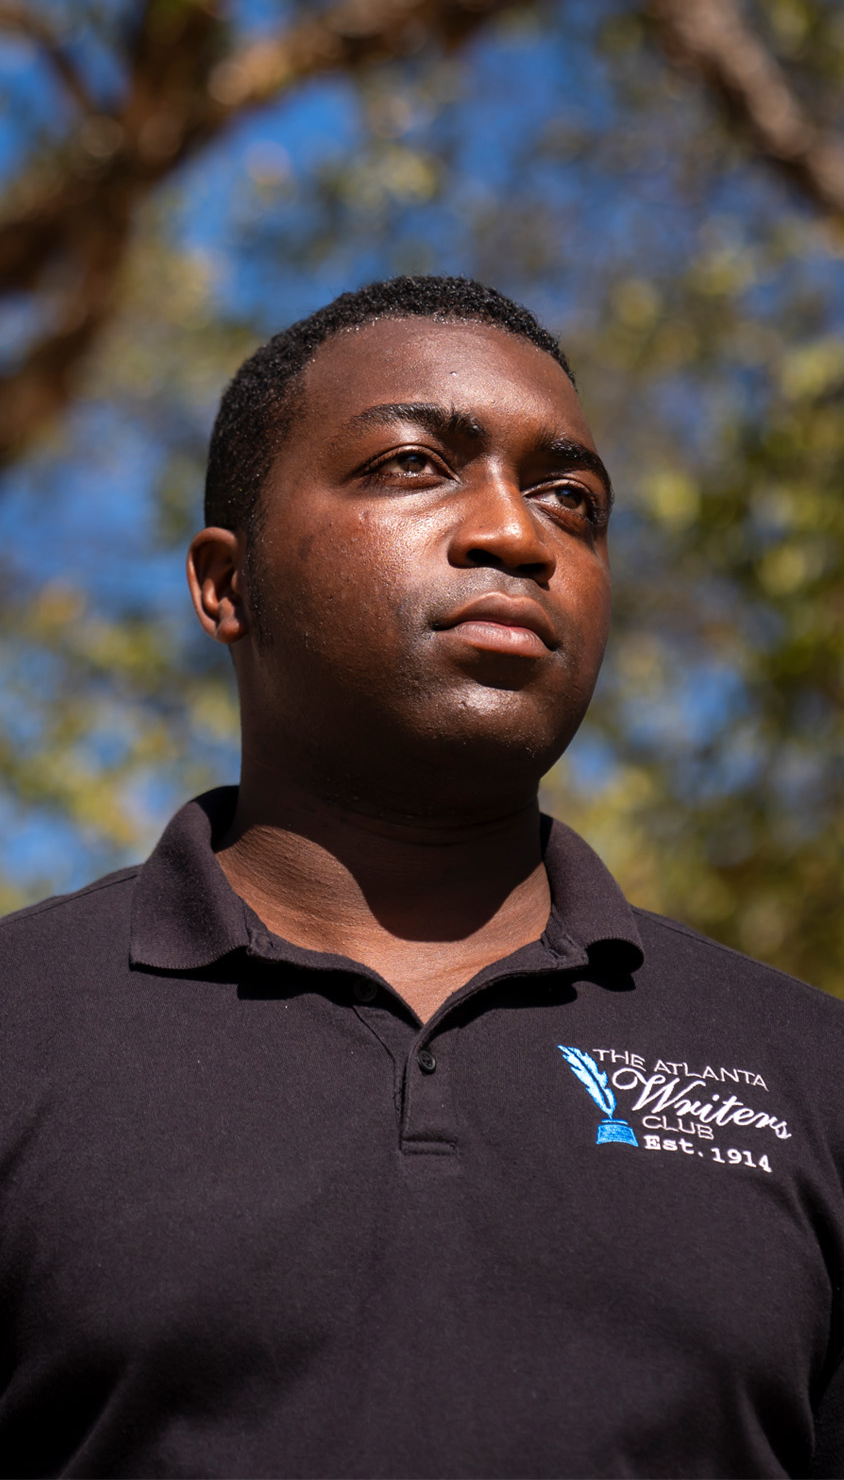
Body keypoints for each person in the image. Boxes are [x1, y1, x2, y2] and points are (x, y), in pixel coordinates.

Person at [0, 275, 842, 1480]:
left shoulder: (810, 1074)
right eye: (411, 464)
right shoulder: (20, 1024)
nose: (515, 532)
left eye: (572, 499)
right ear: (224, 586)